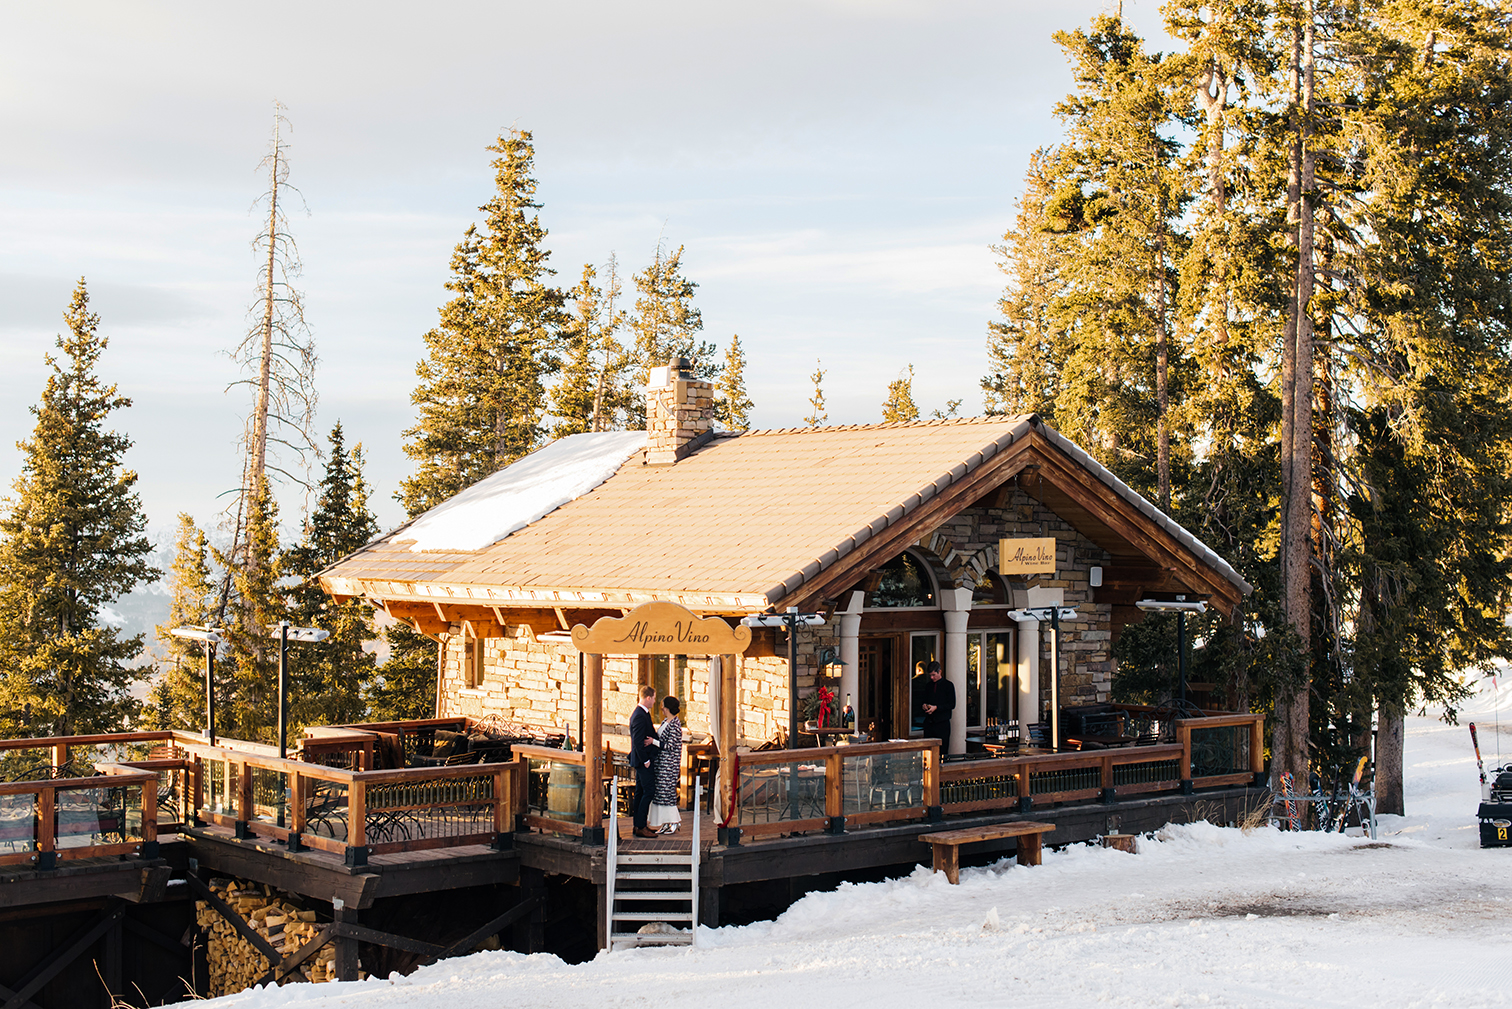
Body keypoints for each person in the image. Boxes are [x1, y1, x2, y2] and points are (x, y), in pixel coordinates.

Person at [648, 696, 685, 834]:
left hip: (669, 765)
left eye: (663, 706)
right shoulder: (665, 721)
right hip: (661, 763)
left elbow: (671, 746)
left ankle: (674, 821)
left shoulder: (675, 725)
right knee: (660, 793)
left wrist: (653, 742)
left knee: (667, 792)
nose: (661, 708)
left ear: (668, 707)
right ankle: (664, 822)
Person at [629, 685, 658, 838]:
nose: (654, 701)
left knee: (640, 792)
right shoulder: (640, 715)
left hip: (643, 760)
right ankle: (640, 825)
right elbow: (638, 742)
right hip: (643, 761)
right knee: (649, 791)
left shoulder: (642, 713)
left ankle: (638, 825)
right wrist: (646, 760)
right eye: (653, 698)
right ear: (648, 698)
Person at [919, 660, 955, 755]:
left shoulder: (948, 685)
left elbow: (952, 704)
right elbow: (923, 700)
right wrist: (925, 706)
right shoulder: (928, 686)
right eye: (930, 675)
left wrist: (936, 708)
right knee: (928, 751)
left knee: (942, 751)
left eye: (934, 675)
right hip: (929, 723)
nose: (932, 677)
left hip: (942, 724)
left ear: (940, 672)